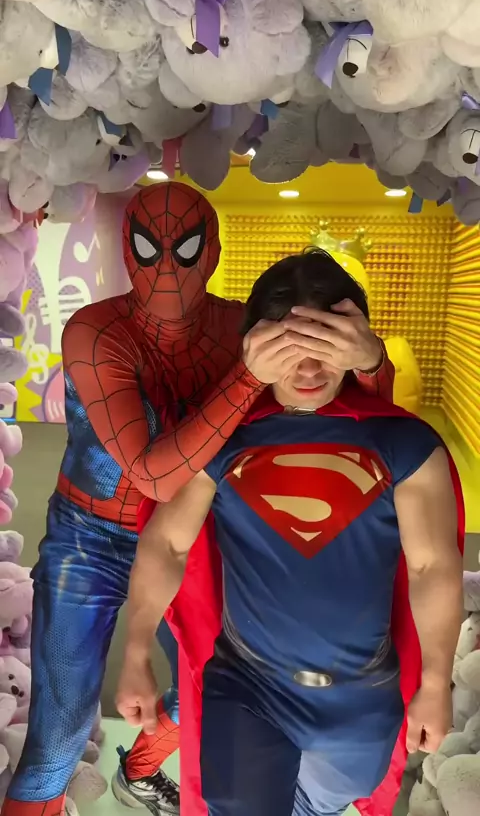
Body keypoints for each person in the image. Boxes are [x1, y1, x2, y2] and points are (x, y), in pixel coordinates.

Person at [2, 187, 394, 816]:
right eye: (148, 248)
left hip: (197, 532)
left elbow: (355, 415)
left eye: (183, 250)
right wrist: (248, 374)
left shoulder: (238, 327)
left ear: (211, 251)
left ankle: (139, 771)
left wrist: (367, 358)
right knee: (59, 733)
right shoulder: (97, 330)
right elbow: (151, 476)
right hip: (92, 536)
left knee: (216, 692)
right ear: (126, 249)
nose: (166, 268)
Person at [117, 250, 465, 816]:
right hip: (248, 685)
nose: (307, 371)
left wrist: (434, 681)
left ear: (352, 343)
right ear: (256, 347)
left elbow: (432, 567)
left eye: (324, 348)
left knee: (322, 805)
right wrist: (135, 649)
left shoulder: (406, 444)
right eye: (288, 350)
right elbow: (168, 543)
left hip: (361, 697)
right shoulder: (223, 441)